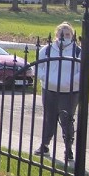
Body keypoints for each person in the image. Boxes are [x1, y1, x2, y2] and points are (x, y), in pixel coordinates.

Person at [34, 21, 82, 162]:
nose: (64, 37)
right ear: (56, 35)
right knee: (49, 118)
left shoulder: (78, 51)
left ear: (72, 36)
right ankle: (44, 145)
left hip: (70, 92)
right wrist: (47, 79)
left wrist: (69, 82)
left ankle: (69, 149)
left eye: (67, 34)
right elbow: (38, 67)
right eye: (62, 34)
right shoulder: (47, 50)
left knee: (67, 120)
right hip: (49, 90)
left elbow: (82, 71)